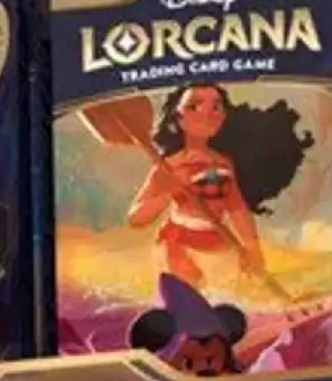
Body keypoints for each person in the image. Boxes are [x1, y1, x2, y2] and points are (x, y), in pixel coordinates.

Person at [128, 84, 314, 289]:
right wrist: (168, 191)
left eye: (216, 106)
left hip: (219, 241)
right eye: (194, 106)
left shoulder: (223, 164)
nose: (207, 113)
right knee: (187, 287)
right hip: (177, 243)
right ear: (178, 117)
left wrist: (252, 248)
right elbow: (136, 218)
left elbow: (237, 208)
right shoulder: (168, 167)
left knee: (231, 288)